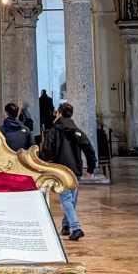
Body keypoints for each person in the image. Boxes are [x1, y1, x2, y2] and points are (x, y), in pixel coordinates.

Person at [39, 102, 97, 241]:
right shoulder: (77, 131)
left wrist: (41, 164)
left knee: (67, 199)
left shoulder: (54, 131)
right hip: (76, 169)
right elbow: (89, 149)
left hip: (62, 169)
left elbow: (47, 150)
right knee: (71, 199)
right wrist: (90, 167)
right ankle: (66, 225)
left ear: (58, 114)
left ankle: (76, 228)